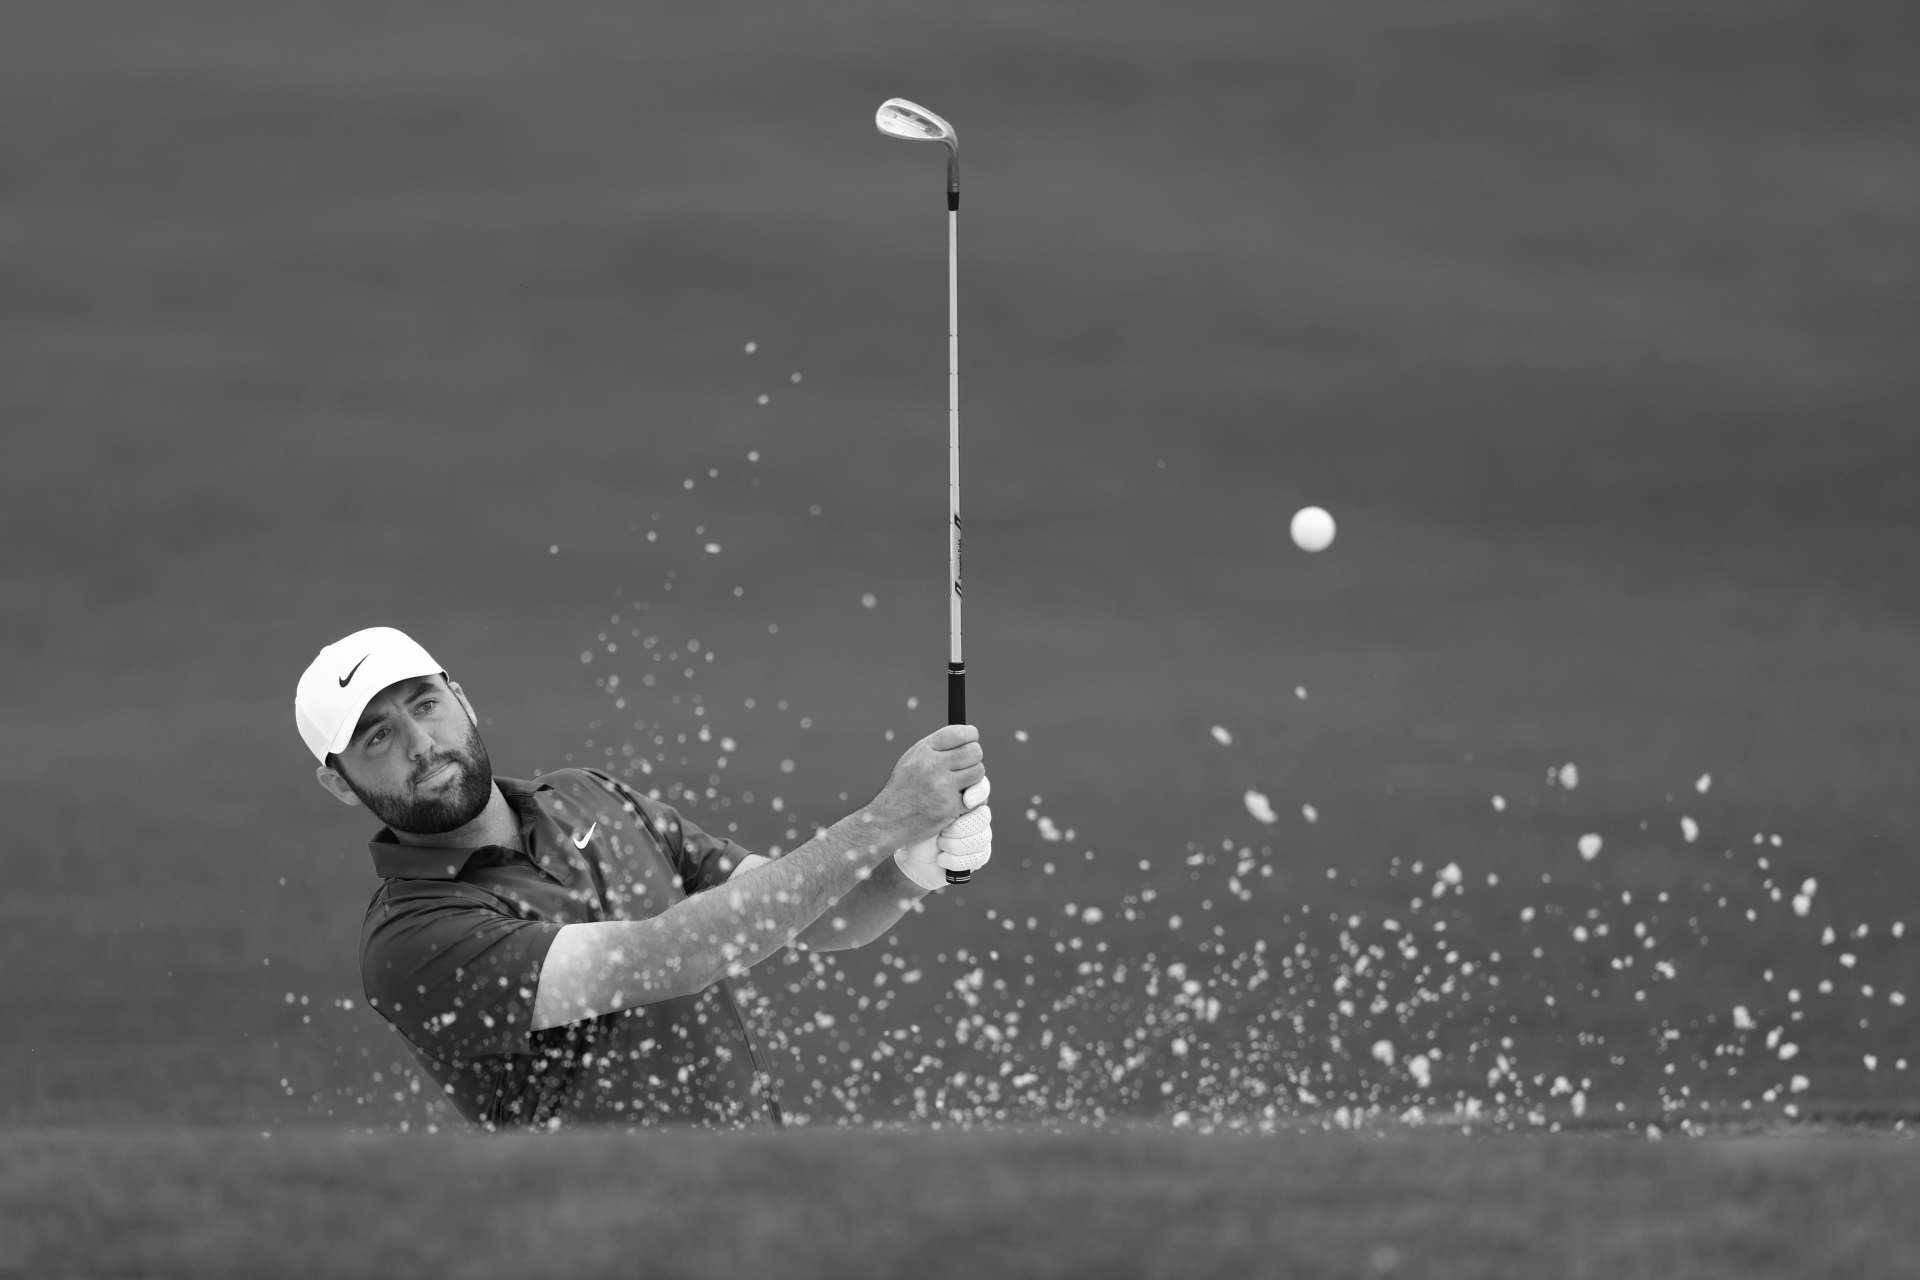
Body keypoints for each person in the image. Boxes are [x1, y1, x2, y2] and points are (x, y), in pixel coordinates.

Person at [293, 625, 993, 1130]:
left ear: (461, 699)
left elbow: (808, 917)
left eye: (423, 705)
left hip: (763, 1192)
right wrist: (880, 822)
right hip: (609, 1238)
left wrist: (905, 873)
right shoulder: (412, 942)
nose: (420, 744)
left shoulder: (585, 794)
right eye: (376, 736)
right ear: (340, 784)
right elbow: (674, 958)